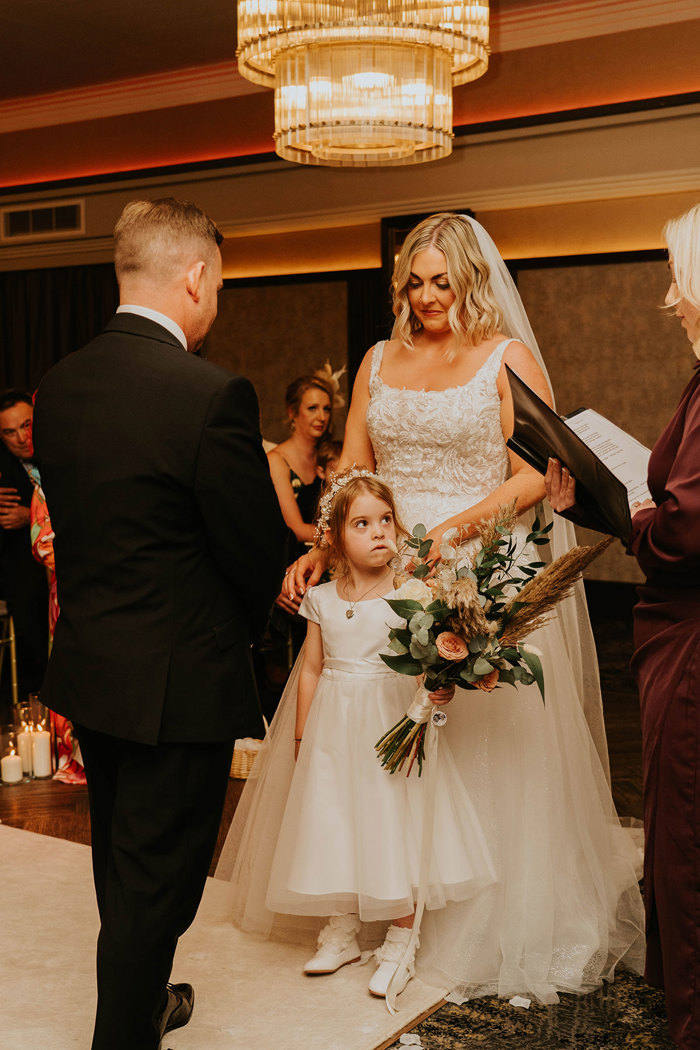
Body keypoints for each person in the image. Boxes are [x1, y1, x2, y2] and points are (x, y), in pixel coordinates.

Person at [221, 213, 644, 1005]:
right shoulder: (379, 358)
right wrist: (322, 544)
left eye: (441, 282)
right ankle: (370, 900)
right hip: (377, 561)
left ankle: (466, 916)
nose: (425, 297)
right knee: (373, 739)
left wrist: (450, 531)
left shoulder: (505, 358)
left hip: (473, 565)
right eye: (414, 282)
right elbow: (352, 469)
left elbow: (534, 474)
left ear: (471, 282)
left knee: (471, 741)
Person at [32, 197, 285, 1050]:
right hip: (179, 683)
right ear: (196, 277)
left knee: (125, 868)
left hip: (95, 671)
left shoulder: (59, 386)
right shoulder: (211, 395)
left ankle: (143, 1001)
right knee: (161, 885)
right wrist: (243, 630)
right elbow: (253, 553)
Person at [227, 467, 495, 998]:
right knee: (334, 818)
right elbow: (309, 668)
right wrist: (303, 738)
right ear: (334, 538)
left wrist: (439, 692)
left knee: (390, 819)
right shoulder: (322, 598)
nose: (379, 532)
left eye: (386, 520)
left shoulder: (412, 592)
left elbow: (427, 664)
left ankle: (400, 939)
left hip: (388, 721)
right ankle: (343, 928)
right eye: (363, 523)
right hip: (332, 726)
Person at [545, 202, 700, 1049]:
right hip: (677, 628)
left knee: (683, 830)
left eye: (678, 280)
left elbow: (681, 531)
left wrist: (633, 506)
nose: (669, 300)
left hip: (693, 639)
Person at [0, 389, 49, 700]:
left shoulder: (64, 453)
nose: (20, 437)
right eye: (9, 431)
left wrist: (31, 516)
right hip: (25, 582)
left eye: (26, 425)